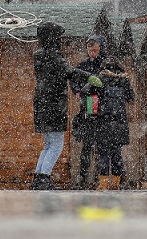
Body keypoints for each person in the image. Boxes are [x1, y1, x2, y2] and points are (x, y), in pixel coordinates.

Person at [32, 22, 102, 190]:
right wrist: (89, 77)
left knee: (48, 144)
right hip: (53, 104)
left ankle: (38, 179)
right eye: (58, 37)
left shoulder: (39, 55)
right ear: (53, 38)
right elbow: (69, 71)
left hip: (41, 103)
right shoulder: (53, 55)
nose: (60, 40)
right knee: (56, 145)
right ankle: (43, 179)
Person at [71, 35, 134, 190]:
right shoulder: (85, 66)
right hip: (94, 113)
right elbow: (75, 79)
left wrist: (87, 93)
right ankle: (87, 178)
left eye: (95, 50)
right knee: (93, 148)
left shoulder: (103, 69)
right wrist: (77, 90)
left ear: (101, 49)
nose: (92, 53)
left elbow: (89, 89)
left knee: (103, 150)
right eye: (90, 50)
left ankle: (99, 180)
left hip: (99, 114)